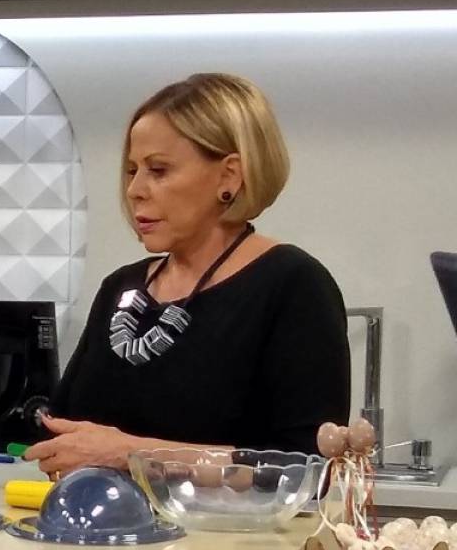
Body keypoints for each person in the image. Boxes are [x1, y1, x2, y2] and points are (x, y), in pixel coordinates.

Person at [26, 72, 350, 478]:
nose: (135, 190)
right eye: (132, 170)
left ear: (229, 176)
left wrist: (132, 455)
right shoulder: (120, 288)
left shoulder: (293, 285)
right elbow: (65, 433)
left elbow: (306, 468)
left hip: (225, 524)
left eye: (158, 170)